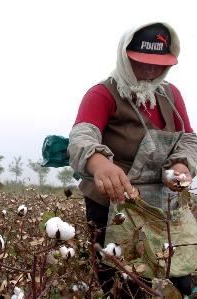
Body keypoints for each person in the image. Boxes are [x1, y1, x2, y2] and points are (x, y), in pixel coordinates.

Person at [68, 22, 197, 298]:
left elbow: (188, 137)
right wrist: (100, 163)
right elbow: (82, 136)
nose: (151, 71)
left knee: (177, 279)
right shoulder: (102, 94)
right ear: (125, 59)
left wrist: (181, 164)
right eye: (142, 63)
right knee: (124, 284)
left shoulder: (171, 95)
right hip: (113, 204)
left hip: (161, 203)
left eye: (158, 65)